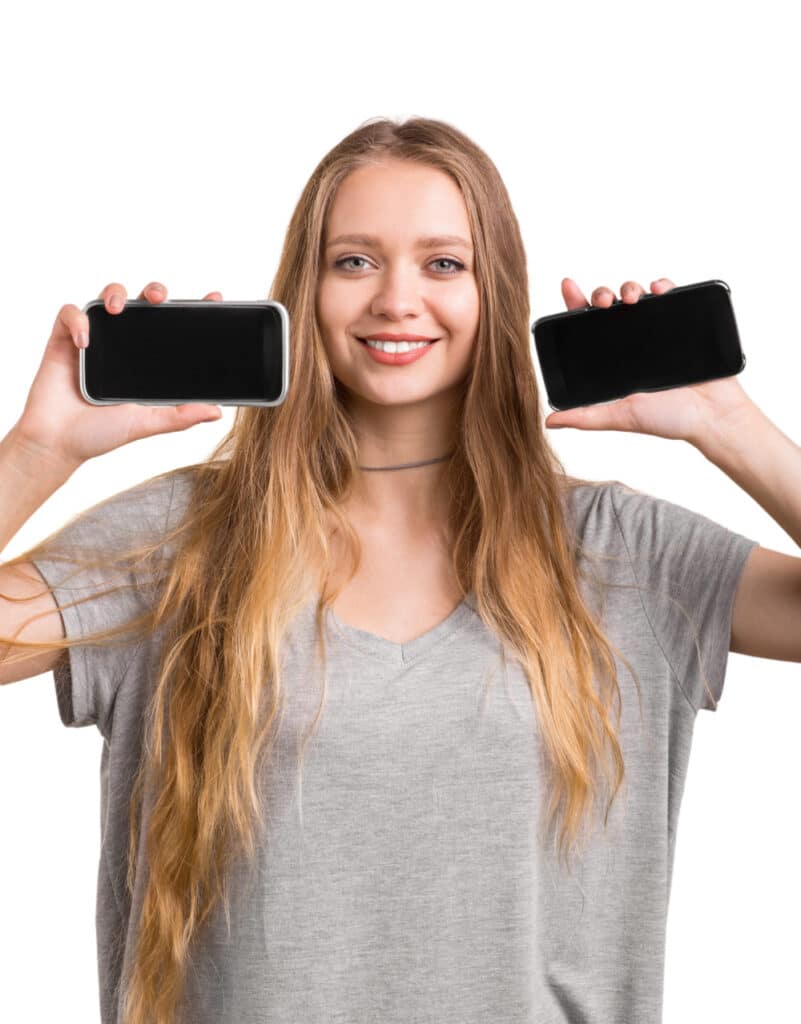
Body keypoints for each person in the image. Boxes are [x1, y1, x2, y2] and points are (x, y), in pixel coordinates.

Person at [0, 115, 799, 1024]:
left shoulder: (625, 555)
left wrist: (727, 427)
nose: (395, 299)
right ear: (304, 291)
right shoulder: (179, 543)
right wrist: (39, 449)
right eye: (354, 261)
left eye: (442, 263)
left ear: (492, 291)